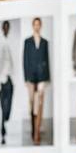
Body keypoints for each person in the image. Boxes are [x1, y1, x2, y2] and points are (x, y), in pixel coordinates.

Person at [22, 17, 50, 145]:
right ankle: (33, 130)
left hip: (42, 77)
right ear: (33, 26)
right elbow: (25, 60)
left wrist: (47, 78)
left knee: (39, 105)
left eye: (39, 24)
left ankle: (37, 133)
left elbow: (47, 60)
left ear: (41, 26)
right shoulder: (27, 42)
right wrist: (26, 79)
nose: (37, 26)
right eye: (35, 24)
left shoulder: (45, 42)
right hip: (31, 78)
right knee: (32, 104)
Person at [0, 20, 15, 145]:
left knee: (8, 108)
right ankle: (3, 133)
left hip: (10, 79)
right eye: (5, 27)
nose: (6, 29)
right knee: (3, 108)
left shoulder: (12, 42)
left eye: (8, 27)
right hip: (1, 80)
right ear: (2, 28)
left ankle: (5, 121)